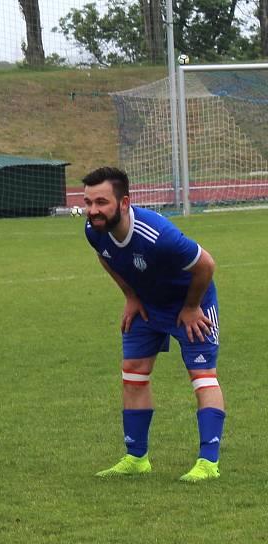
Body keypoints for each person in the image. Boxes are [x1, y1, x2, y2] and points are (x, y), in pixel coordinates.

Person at [82, 166, 225, 483]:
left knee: (202, 376)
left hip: (191, 303)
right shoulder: (95, 230)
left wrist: (190, 307)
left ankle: (208, 462)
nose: (93, 211)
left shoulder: (159, 235)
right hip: (148, 303)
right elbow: (104, 255)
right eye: (89, 202)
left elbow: (206, 265)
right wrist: (131, 295)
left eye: (101, 202)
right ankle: (136, 458)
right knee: (132, 372)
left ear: (124, 202)